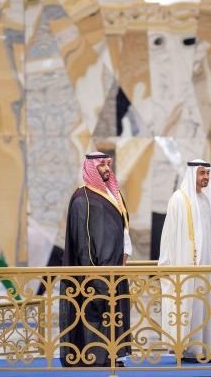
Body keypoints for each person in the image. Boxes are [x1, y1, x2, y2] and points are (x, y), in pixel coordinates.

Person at [59, 152, 132, 367]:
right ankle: (94, 357)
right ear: (90, 167)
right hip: (94, 273)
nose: (107, 168)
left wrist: (123, 259)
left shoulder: (112, 194)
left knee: (114, 313)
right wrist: (93, 275)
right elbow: (83, 243)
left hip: (115, 269)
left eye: (108, 164)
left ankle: (114, 355)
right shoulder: (82, 199)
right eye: (101, 165)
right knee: (95, 312)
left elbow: (123, 231)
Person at [159, 159, 211, 362]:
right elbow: (169, 235)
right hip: (186, 265)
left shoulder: (208, 200)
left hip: (207, 266)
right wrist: (168, 263)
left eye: (207, 173)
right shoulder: (179, 199)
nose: (205, 177)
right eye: (202, 173)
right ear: (192, 174)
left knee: (206, 305)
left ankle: (206, 348)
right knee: (189, 305)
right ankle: (187, 349)